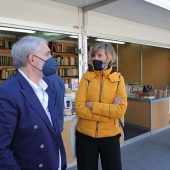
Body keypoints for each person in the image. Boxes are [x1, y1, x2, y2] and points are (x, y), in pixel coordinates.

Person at [0, 36, 67, 170]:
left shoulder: (47, 84)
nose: (52, 59)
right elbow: (1, 149)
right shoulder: (7, 93)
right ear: (32, 59)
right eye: (47, 54)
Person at [75, 42, 127, 170]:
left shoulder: (118, 79)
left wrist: (92, 105)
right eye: (93, 56)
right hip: (85, 136)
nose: (95, 59)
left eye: (99, 55)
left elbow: (120, 111)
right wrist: (108, 114)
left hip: (110, 137)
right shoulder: (86, 78)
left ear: (109, 58)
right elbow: (79, 109)